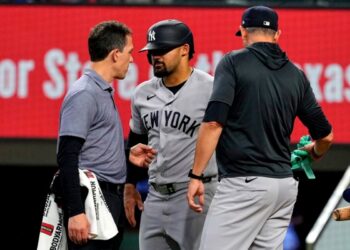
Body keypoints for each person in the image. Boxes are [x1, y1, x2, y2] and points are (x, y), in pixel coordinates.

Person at [187, 6, 333, 250]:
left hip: (244, 184)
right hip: (283, 187)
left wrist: (196, 175)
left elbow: (213, 123)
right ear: (277, 35)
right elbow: (326, 136)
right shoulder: (296, 73)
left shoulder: (233, 62)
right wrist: (315, 152)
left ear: (244, 32)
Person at [56, 20, 155, 250]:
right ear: (115, 54)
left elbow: (93, 146)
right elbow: (67, 156)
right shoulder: (85, 93)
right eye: (129, 52)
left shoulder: (99, 90)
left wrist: (126, 154)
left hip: (107, 200)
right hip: (90, 203)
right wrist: (76, 212)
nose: (132, 59)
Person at [123, 19, 218, 250]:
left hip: (196, 195)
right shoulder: (142, 93)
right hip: (154, 197)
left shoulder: (212, 88)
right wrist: (130, 184)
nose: (155, 56)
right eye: (152, 50)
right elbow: (137, 140)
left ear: (185, 50)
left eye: (163, 50)